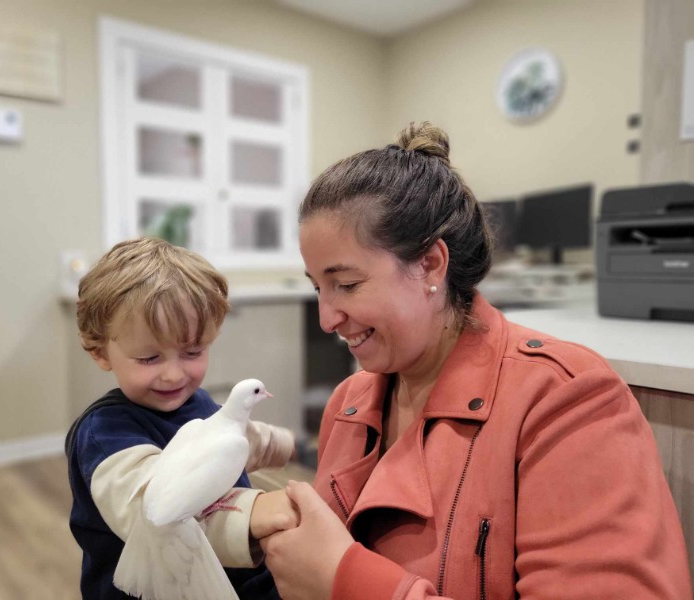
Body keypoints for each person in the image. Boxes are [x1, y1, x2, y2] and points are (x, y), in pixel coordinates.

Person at [260, 122, 692, 599]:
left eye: (346, 284)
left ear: (430, 265)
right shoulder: (348, 404)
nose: (326, 318)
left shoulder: (565, 401)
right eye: (317, 286)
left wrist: (346, 581)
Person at [65, 237, 297, 599]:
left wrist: (287, 444)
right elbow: (154, 512)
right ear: (100, 352)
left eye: (191, 351)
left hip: (238, 578)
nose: (174, 375)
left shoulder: (199, 405)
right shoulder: (105, 435)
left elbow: (239, 441)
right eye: (149, 358)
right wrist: (257, 513)